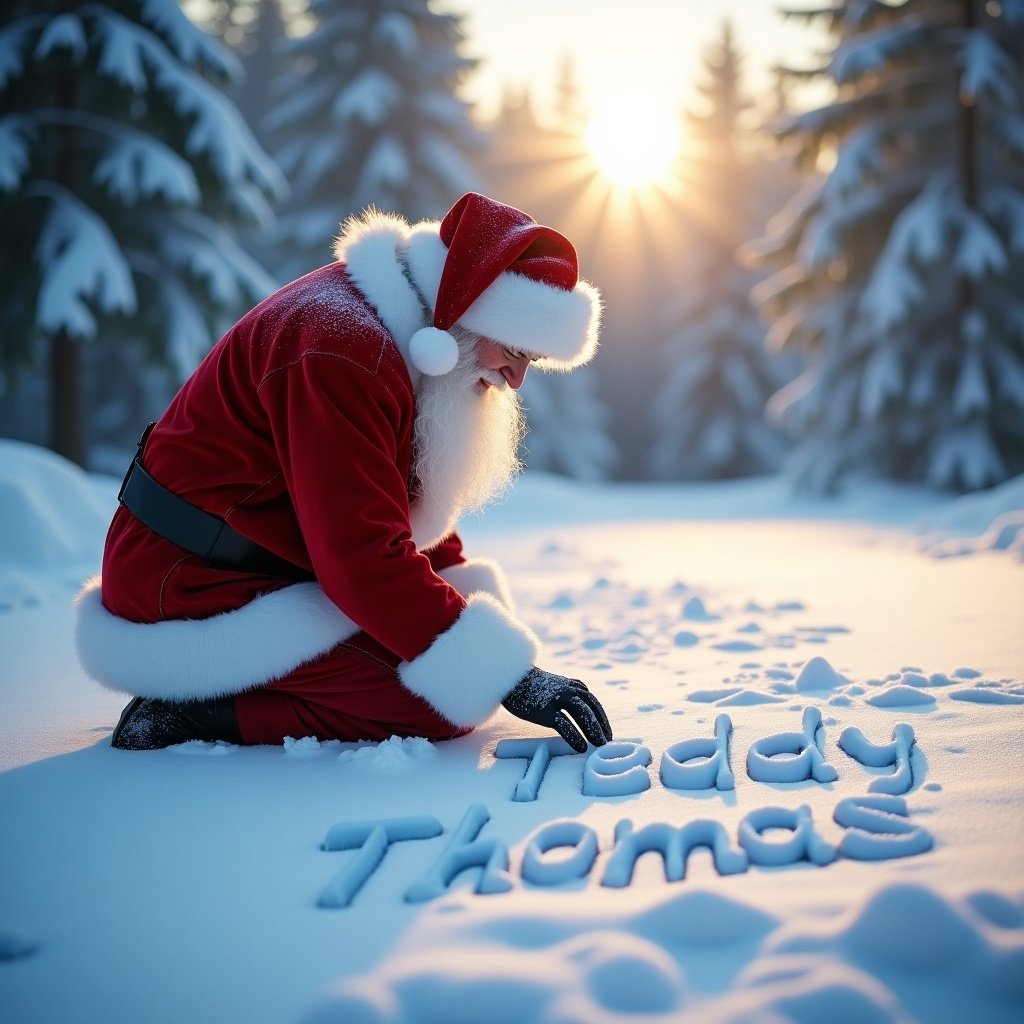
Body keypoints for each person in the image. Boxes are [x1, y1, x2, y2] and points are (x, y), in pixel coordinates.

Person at [75, 193, 614, 754]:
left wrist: (458, 594)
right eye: (515, 349)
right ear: (464, 312)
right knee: (437, 702)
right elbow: (361, 555)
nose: (517, 377)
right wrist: (506, 675)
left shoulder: (399, 332)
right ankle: (196, 709)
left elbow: (393, 498)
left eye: (534, 360)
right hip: (185, 579)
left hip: (260, 564)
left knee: (450, 670)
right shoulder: (345, 350)